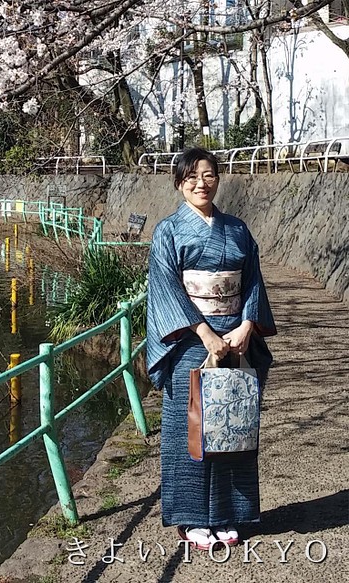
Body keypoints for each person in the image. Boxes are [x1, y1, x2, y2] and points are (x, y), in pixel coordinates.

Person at [146, 147, 276, 550]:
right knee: (193, 428)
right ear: (178, 182)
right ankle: (191, 518)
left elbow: (252, 280)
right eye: (191, 177)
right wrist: (205, 334)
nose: (200, 183)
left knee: (233, 423)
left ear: (218, 179)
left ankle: (229, 514)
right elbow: (167, 287)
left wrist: (246, 326)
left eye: (208, 175)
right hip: (189, 340)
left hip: (236, 339)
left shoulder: (237, 230)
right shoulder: (168, 231)